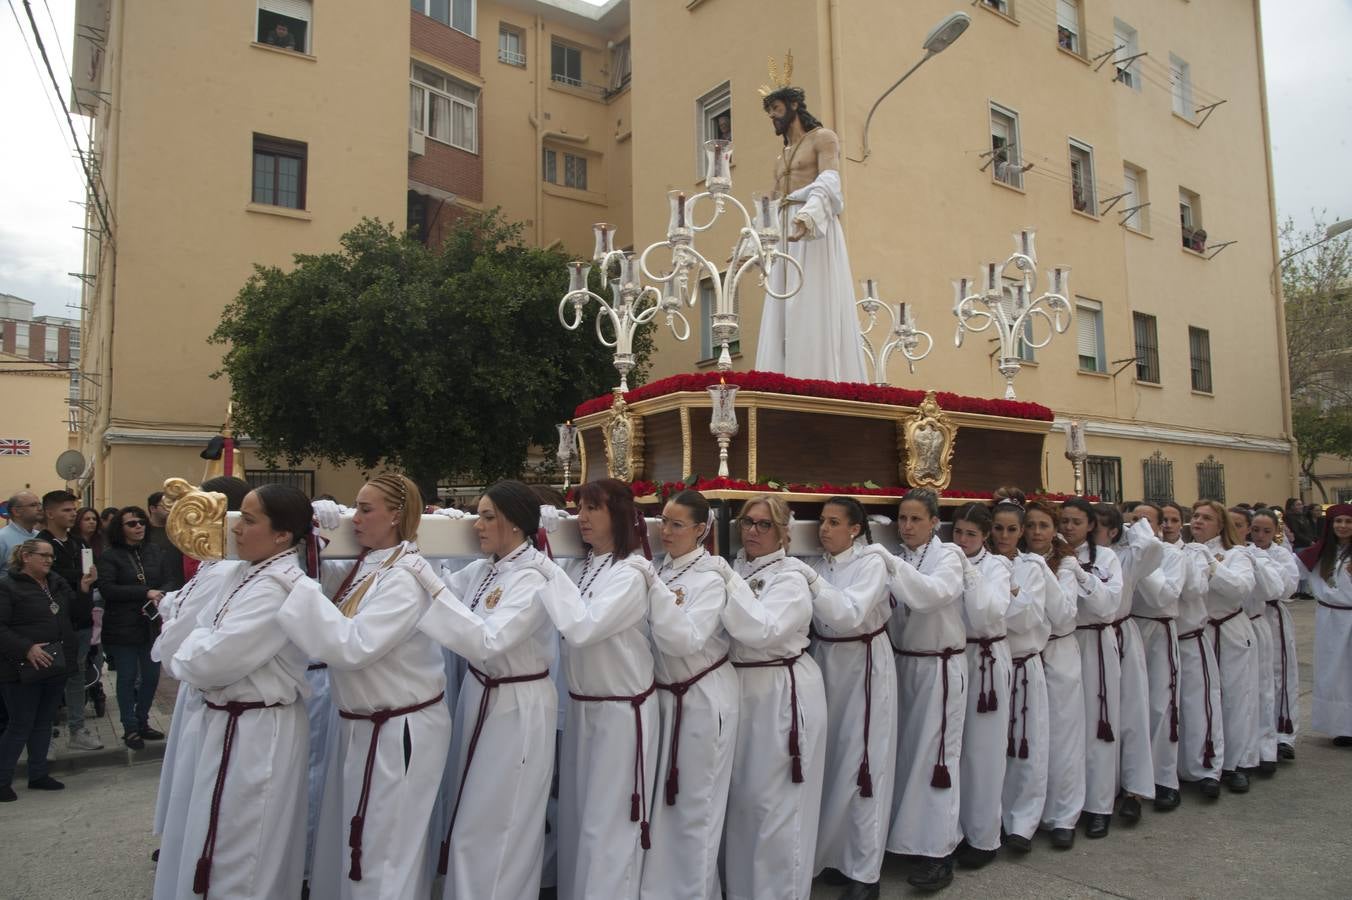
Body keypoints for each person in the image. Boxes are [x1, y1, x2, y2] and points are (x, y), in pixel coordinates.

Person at [277, 474, 452, 900]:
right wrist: (310, 539)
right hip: (362, 724)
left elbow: (355, 646)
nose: (354, 518)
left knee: (382, 853)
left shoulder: (406, 576)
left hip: (396, 729)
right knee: (358, 846)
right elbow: (326, 586)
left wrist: (296, 585)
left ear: (395, 516)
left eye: (365, 509)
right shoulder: (371, 564)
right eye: (354, 507)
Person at [151, 484, 312, 899]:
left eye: (249, 520)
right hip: (228, 722)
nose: (236, 528)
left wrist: (196, 645)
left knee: (243, 849)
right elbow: (193, 638)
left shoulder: (278, 586)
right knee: (212, 834)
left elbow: (208, 661)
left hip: (257, 729)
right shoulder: (243, 573)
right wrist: (198, 644)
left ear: (282, 535)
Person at [416, 480, 562, 900]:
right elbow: (441, 591)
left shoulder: (534, 576)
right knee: (472, 813)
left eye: (486, 517)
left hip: (517, 702)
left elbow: (489, 640)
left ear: (515, 523)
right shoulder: (486, 569)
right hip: (481, 694)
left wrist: (428, 583)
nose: (476, 526)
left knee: (502, 819)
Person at [542, 478, 658, 900]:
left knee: (609, 823)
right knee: (578, 818)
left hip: (619, 711)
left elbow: (583, 629)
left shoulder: (631, 573)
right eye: (579, 508)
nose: (582, 518)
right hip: (583, 705)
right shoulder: (584, 566)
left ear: (619, 516)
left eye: (593, 508)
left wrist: (543, 566)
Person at [721, 494, 827, 900]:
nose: (752, 530)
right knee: (743, 799)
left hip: (780, 690)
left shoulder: (790, 577)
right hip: (741, 688)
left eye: (764, 524)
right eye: (748, 522)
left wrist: (726, 582)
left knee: (775, 803)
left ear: (783, 532)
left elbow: (763, 631)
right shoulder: (736, 568)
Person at [150, 475, 250, 889]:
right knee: (188, 781)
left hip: (209, 682)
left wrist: (172, 616)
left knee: (203, 787)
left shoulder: (226, 568)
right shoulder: (214, 563)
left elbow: (182, 636)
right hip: (198, 684)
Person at [641, 489, 740, 900]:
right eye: (663, 521)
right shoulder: (660, 568)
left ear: (700, 530)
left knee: (696, 806)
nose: (666, 531)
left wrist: (653, 589)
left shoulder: (710, 578)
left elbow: (687, 641)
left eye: (677, 524)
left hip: (700, 698)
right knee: (664, 806)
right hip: (664, 697)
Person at [807, 497, 896, 900]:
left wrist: (811, 583)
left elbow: (850, 613)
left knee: (864, 764)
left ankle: (865, 870)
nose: (824, 529)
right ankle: (836, 855)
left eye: (834, 522)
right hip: (826, 661)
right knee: (833, 762)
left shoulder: (870, 563)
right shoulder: (820, 563)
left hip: (863, 664)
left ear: (855, 529)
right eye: (822, 521)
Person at [754, 85, 868, 383]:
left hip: (813, 229)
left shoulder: (823, 138)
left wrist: (809, 215)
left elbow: (829, 180)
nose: (772, 116)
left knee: (812, 301)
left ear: (794, 105)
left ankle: (819, 378)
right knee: (782, 308)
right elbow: (772, 202)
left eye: (776, 109)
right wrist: (751, 243)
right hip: (784, 231)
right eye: (769, 112)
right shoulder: (781, 157)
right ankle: (782, 380)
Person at [885, 488, 967, 891]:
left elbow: (929, 596)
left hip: (939, 666)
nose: (907, 526)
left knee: (937, 760)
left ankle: (939, 852)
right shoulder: (900, 556)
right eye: (902, 518)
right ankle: (905, 839)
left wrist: (888, 564)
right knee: (905, 754)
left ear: (935, 522)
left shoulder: (949, 556)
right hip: (904, 664)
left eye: (916, 519)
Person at [948, 503, 1012, 870]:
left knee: (984, 749)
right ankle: (955, 828)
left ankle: (985, 835)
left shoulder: (997, 566)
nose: (962, 540)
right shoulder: (947, 560)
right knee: (954, 747)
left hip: (985, 659)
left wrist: (969, 573)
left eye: (971, 534)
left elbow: (987, 613)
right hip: (956, 657)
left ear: (985, 536)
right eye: (958, 532)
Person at [986, 494, 1049, 853]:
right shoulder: (983, 562)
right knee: (991, 747)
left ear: (1022, 531)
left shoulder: (1032, 567)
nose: (1004, 536)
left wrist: (1007, 593)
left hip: (1024, 662)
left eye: (1011, 530)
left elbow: (1028, 617)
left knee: (1027, 744)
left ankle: (1022, 822)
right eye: (998, 528)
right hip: (992, 665)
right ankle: (990, 818)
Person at [1022, 501, 1085, 849]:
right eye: (1030, 525)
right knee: (1030, 737)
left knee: (1063, 737)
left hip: (1059, 652)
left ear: (1055, 530)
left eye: (1043, 526)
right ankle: (1026, 814)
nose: (1036, 532)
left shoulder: (1066, 564)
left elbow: (1063, 614)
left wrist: (1042, 570)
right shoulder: (1016, 560)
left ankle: (1063, 815)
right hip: (1027, 655)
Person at [1186, 500, 1259, 792]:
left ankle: (1236, 764)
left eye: (1206, 518)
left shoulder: (1237, 554)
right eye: (1195, 516)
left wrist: (1212, 564)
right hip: (1199, 633)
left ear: (1220, 525)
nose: (1198, 521)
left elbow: (1240, 589)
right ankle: (1205, 761)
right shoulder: (1185, 551)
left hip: (1229, 630)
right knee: (1201, 699)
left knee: (1235, 698)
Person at [1061, 497, 1122, 839]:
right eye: (1064, 521)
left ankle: (1099, 805)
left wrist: (1081, 575)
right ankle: (1065, 804)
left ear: (1090, 525)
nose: (1068, 527)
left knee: (1099, 724)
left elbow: (1108, 603)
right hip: (1063, 643)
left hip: (1095, 642)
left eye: (1076, 521)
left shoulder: (1106, 557)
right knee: (1068, 728)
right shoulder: (1051, 553)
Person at [1095, 504, 1159, 823]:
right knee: (1099, 720)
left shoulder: (1127, 557)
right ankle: (1101, 789)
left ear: (1113, 532)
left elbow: (1152, 547)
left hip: (1120, 635)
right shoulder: (1076, 556)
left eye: (1097, 526)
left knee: (1131, 713)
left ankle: (1134, 789)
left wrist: (1135, 524)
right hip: (1088, 642)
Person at [0, 538, 77, 801]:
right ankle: (2, 780)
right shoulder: (7, 586)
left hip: (54, 663)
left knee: (44, 722)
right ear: (26, 557)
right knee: (20, 724)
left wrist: (84, 589)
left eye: (51, 556)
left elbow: (72, 614)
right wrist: (26, 648)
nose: (49, 560)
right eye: (43, 555)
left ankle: (38, 773)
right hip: (20, 669)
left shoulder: (55, 583)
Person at [1125, 502, 1186, 811]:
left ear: (1160, 527)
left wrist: (1144, 562)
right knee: (1131, 708)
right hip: (1131, 628)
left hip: (1159, 631)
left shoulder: (1173, 556)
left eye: (1146, 521)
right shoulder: (1123, 554)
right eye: (1134, 520)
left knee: (1162, 707)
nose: (1138, 526)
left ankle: (1164, 778)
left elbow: (1163, 597)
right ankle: (1131, 781)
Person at [99, 505, 173, 749]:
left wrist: (161, 594)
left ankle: (143, 721)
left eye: (141, 521)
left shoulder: (155, 551)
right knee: (127, 678)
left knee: (151, 677)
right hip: (122, 625)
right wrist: (145, 592)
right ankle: (130, 727)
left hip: (151, 624)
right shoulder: (110, 556)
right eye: (131, 523)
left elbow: (169, 579)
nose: (139, 526)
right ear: (120, 528)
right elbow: (108, 589)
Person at [37, 490, 102, 751]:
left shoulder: (79, 543)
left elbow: (87, 577)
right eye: (66, 510)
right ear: (49, 513)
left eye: (74, 509)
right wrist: (79, 577)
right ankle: (44, 736)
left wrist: (86, 581)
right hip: (52, 624)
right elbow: (49, 578)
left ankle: (77, 730)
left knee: (77, 675)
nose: (73, 514)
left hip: (82, 620)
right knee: (49, 680)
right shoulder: (40, 544)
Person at [1231, 506, 1282, 776]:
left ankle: (1265, 748)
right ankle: (1234, 752)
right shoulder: (1216, 553)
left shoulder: (1257, 555)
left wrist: (1252, 561)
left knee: (1261, 689)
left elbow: (1275, 589)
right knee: (1234, 695)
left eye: (1239, 525)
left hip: (1253, 624)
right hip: (1225, 629)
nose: (1234, 530)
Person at [1295, 503, 1352, 745]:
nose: (1343, 526)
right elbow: (1288, 571)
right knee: (1334, 673)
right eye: (1338, 521)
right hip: (1329, 619)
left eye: (1348, 521)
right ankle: (1341, 727)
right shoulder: (1318, 554)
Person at [1251, 509, 1300, 760]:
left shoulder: (1280, 554)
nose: (1260, 535)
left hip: (1272, 617)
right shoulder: (1243, 550)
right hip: (1250, 618)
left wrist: (1264, 565)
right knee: (1256, 676)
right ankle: (1259, 732)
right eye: (1255, 530)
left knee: (1279, 674)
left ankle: (1284, 732)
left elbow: (1289, 586)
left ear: (1275, 532)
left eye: (1266, 531)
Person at [146, 490, 186, 590]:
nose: (171, 509)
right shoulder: (142, 531)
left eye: (172, 505)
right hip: (153, 586)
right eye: (165, 505)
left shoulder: (178, 530)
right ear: (152, 508)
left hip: (178, 584)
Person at [0, 491, 42, 560]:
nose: (40, 508)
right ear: (16, 512)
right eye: (33, 505)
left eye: (40, 504)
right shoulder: (2, 538)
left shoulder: (40, 536)